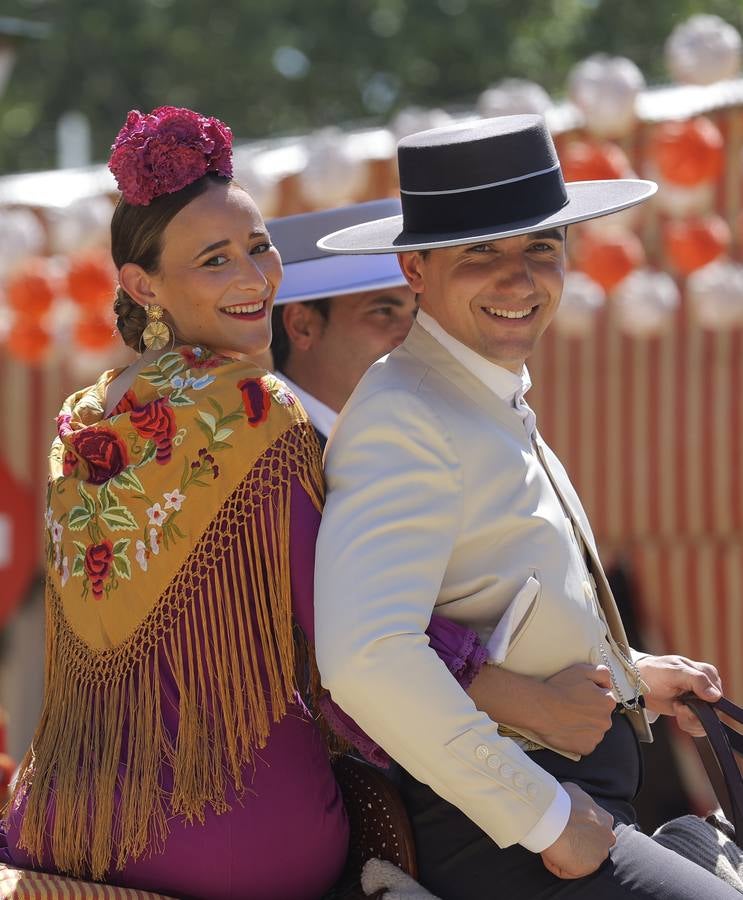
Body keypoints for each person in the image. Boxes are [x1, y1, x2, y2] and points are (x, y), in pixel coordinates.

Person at [313, 115, 740, 899]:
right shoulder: (406, 414)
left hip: (561, 804)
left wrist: (633, 675)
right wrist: (541, 817)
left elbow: (500, 604)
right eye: (481, 252)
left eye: (540, 249)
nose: (519, 277)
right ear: (414, 268)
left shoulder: (476, 395)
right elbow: (366, 653)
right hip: (498, 828)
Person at [0, 106, 350, 900]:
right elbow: (346, 643)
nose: (253, 278)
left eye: (260, 248)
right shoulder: (259, 410)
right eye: (215, 260)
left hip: (61, 825)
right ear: (140, 285)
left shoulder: (82, 419)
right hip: (240, 836)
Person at [268, 200, 417, 448]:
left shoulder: (404, 437)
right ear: (302, 325)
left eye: (415, 314)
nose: (412, 336)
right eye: (383, 311)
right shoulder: (259, 449)